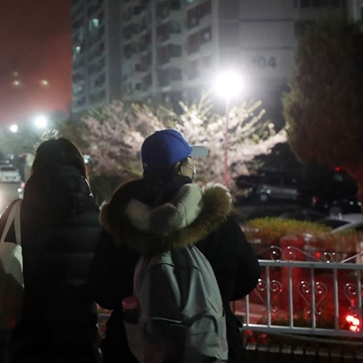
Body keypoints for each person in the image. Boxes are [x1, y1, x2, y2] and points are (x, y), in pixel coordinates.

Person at [89, 129, 260, 363]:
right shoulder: (215, 216)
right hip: (208, 345)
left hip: (133, 348)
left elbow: (102, 290)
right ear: (182, 166)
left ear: (146, 168)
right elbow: (248, 275)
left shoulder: (120, 220)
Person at [0, 137, 103, 363]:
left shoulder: (17, 213)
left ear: (37, 168)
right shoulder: (96, 217)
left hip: (27, 336)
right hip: (79, 339)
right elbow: (105, 282)